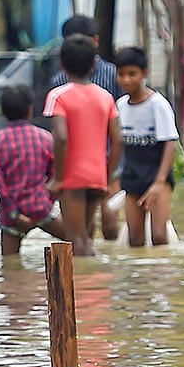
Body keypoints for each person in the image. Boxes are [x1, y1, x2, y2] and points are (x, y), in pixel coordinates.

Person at [43, 35, 122, 257]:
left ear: (63, 65)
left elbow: (61, 137)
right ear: (94, 64)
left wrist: (58, 178)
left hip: (72, 177)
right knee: (86, 236)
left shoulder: (58, 96)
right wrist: (107, 175)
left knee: (75, 239)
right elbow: (118, 140)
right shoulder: (105, 97)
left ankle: (84, 287)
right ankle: (96, 287)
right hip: (97, 176)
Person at [0, 83, 66, 256]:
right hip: (41, 208)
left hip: (12, 215)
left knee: (9, 265)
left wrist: (15, 214)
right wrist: (47, 201)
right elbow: (55, 175)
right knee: (76, 241)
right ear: (30, 109)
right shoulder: (45, 138)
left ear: (2, 111)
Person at [113, 46, 179, 247]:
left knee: (159, 235)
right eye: (121, 74)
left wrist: (159, 183)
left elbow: (171, 143)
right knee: (135, 239)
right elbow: (117, 143)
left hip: (155, 176)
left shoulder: (158, 104)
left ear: (144, 74)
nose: (126, 80)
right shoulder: (121, 105)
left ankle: (162, 276)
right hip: (132, 177)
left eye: (132, 74)